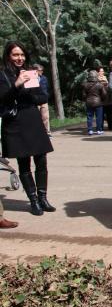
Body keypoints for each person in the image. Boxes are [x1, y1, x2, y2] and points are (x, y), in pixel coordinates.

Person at [0, 41, 55, 216]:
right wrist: (16, 85)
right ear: (8, 56)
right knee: (24, 163)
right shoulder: (3, 74)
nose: (19, 58)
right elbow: (3, 98)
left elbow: (42, 97)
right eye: (15, 55)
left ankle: (43, 197)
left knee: (41, 160)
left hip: (32, 119)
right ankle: (33, 201)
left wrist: (32, 88)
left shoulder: (30, 72)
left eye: (22, 55)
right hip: (15, 122)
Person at [82, 70, 106, 136]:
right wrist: (102, 99)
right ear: (96, 76)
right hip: (98, 102)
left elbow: (83, 95)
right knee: (99, 117)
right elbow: (104, 94)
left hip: (89, 102)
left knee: (89, 117)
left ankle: (90, 130)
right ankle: (99, 130)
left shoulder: (85, 85)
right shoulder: (100, 84)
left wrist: (86, 99)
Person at [33, 64, 51, 135]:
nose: (42, 72)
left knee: (46, 117)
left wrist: (47, 95)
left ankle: (47, 132)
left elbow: (47, 87)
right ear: (36, 70)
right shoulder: (31, 79)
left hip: (44, 100)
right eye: (41, 70)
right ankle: (37, 132)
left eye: (42, 70)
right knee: (36, 118)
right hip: (35, 100)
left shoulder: (44, 78)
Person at [97, 66, 112, 131]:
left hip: (107, 98)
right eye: (100, 71)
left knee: (109, 115)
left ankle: (111, 127)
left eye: (103, 71)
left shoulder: (105, 78)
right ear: (98, 72)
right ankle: (100, 127)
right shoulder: (96, 79)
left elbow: (109, 87)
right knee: (101, 115)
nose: (102, 72)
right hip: (101, 100)